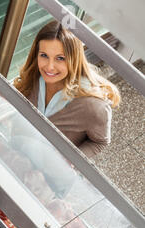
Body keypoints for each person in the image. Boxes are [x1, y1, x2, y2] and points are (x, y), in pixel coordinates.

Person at [13, 20, 121, 158]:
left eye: (60, 58)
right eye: (44, 55)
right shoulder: (32, 76)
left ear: (74, 59)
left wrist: (69, 163)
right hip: (16, 155)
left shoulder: (94, 107)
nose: (49, 67)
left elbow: (100, 142)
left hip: (49, 173)